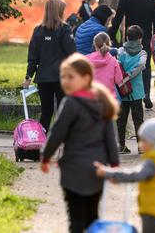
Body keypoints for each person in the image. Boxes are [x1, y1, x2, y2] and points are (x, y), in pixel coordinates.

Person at [40, 53, 120, 233]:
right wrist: (114, 165)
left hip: (74, 169)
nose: (65, 81)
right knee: (93, 215)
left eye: (70, 77)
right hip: (98, 169)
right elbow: (110, 138)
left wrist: (45, 156)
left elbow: (57, 132)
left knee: (75, 217)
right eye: (63, 76)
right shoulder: (103, 101)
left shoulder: (71, 103)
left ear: (86, 78)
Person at [95, 117, 155, 233]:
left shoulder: (154, 160)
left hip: (153, 212)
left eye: (143, 140)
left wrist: (109, 173)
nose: (140, 143)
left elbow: (136, 175)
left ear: (154, 141)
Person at [23, 0, 76, 132]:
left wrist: (29, 76)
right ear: (58, 11)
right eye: (62, 10)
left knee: (46, 112)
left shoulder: (38, 31)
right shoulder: (65, 29)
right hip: (61, 77)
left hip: (44, 77)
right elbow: (71, 53)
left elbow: (33, 56)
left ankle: (41, 142)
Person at [109, 0, 155, 109]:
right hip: (146, 39)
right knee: (146, 66)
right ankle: (146, 95)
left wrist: (111, 36)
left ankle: (128, 93)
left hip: (130, 38)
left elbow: (117, 19)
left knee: (128, 66)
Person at [116, 25, 147, 154]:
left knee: (121, 120)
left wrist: (124, 78)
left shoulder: (121, 51)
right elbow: (141, 65)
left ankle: (121, 146)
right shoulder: (142, 52)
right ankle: (140, 146)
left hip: (122, 91)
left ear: (127, 37)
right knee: (138, 119)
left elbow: (117, 65)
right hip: (137, 91)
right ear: (140, 39)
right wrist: (131, 75)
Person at [86, 32, 122, 98]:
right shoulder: (113, 61)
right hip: (109, 98)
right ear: (109, 44)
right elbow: (119, 80)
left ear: (94, 44)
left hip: (92, 97)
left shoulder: (86, 59)